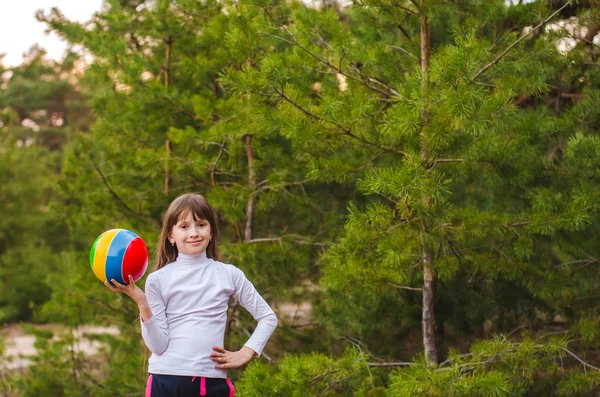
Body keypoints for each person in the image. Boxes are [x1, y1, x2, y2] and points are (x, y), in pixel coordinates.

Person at [106, 193, 278, 397]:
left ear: (212, 231)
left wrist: (246, 351)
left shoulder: (229, 274)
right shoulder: (157, 280)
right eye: (184, 226)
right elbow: (158, 346)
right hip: (164, 380)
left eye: (201, 224)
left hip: (210, 382)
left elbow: (268, 317)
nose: (194, 233)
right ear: (171, 235)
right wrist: (141, 302)